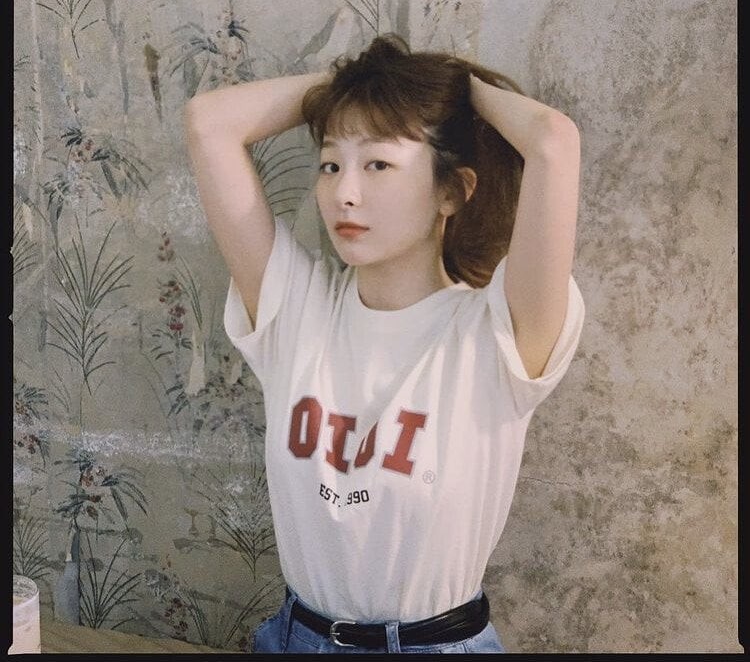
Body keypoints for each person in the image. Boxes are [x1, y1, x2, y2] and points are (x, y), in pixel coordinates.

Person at [184, 34, 585, 654]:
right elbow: (209, 122)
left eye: (378, 164)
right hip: (295, 639)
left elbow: (554, 142)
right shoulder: (298, 312)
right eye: (330, 164)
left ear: (451, 191)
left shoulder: (498, 335)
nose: (344, 192)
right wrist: (360, 85)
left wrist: (452, 86)